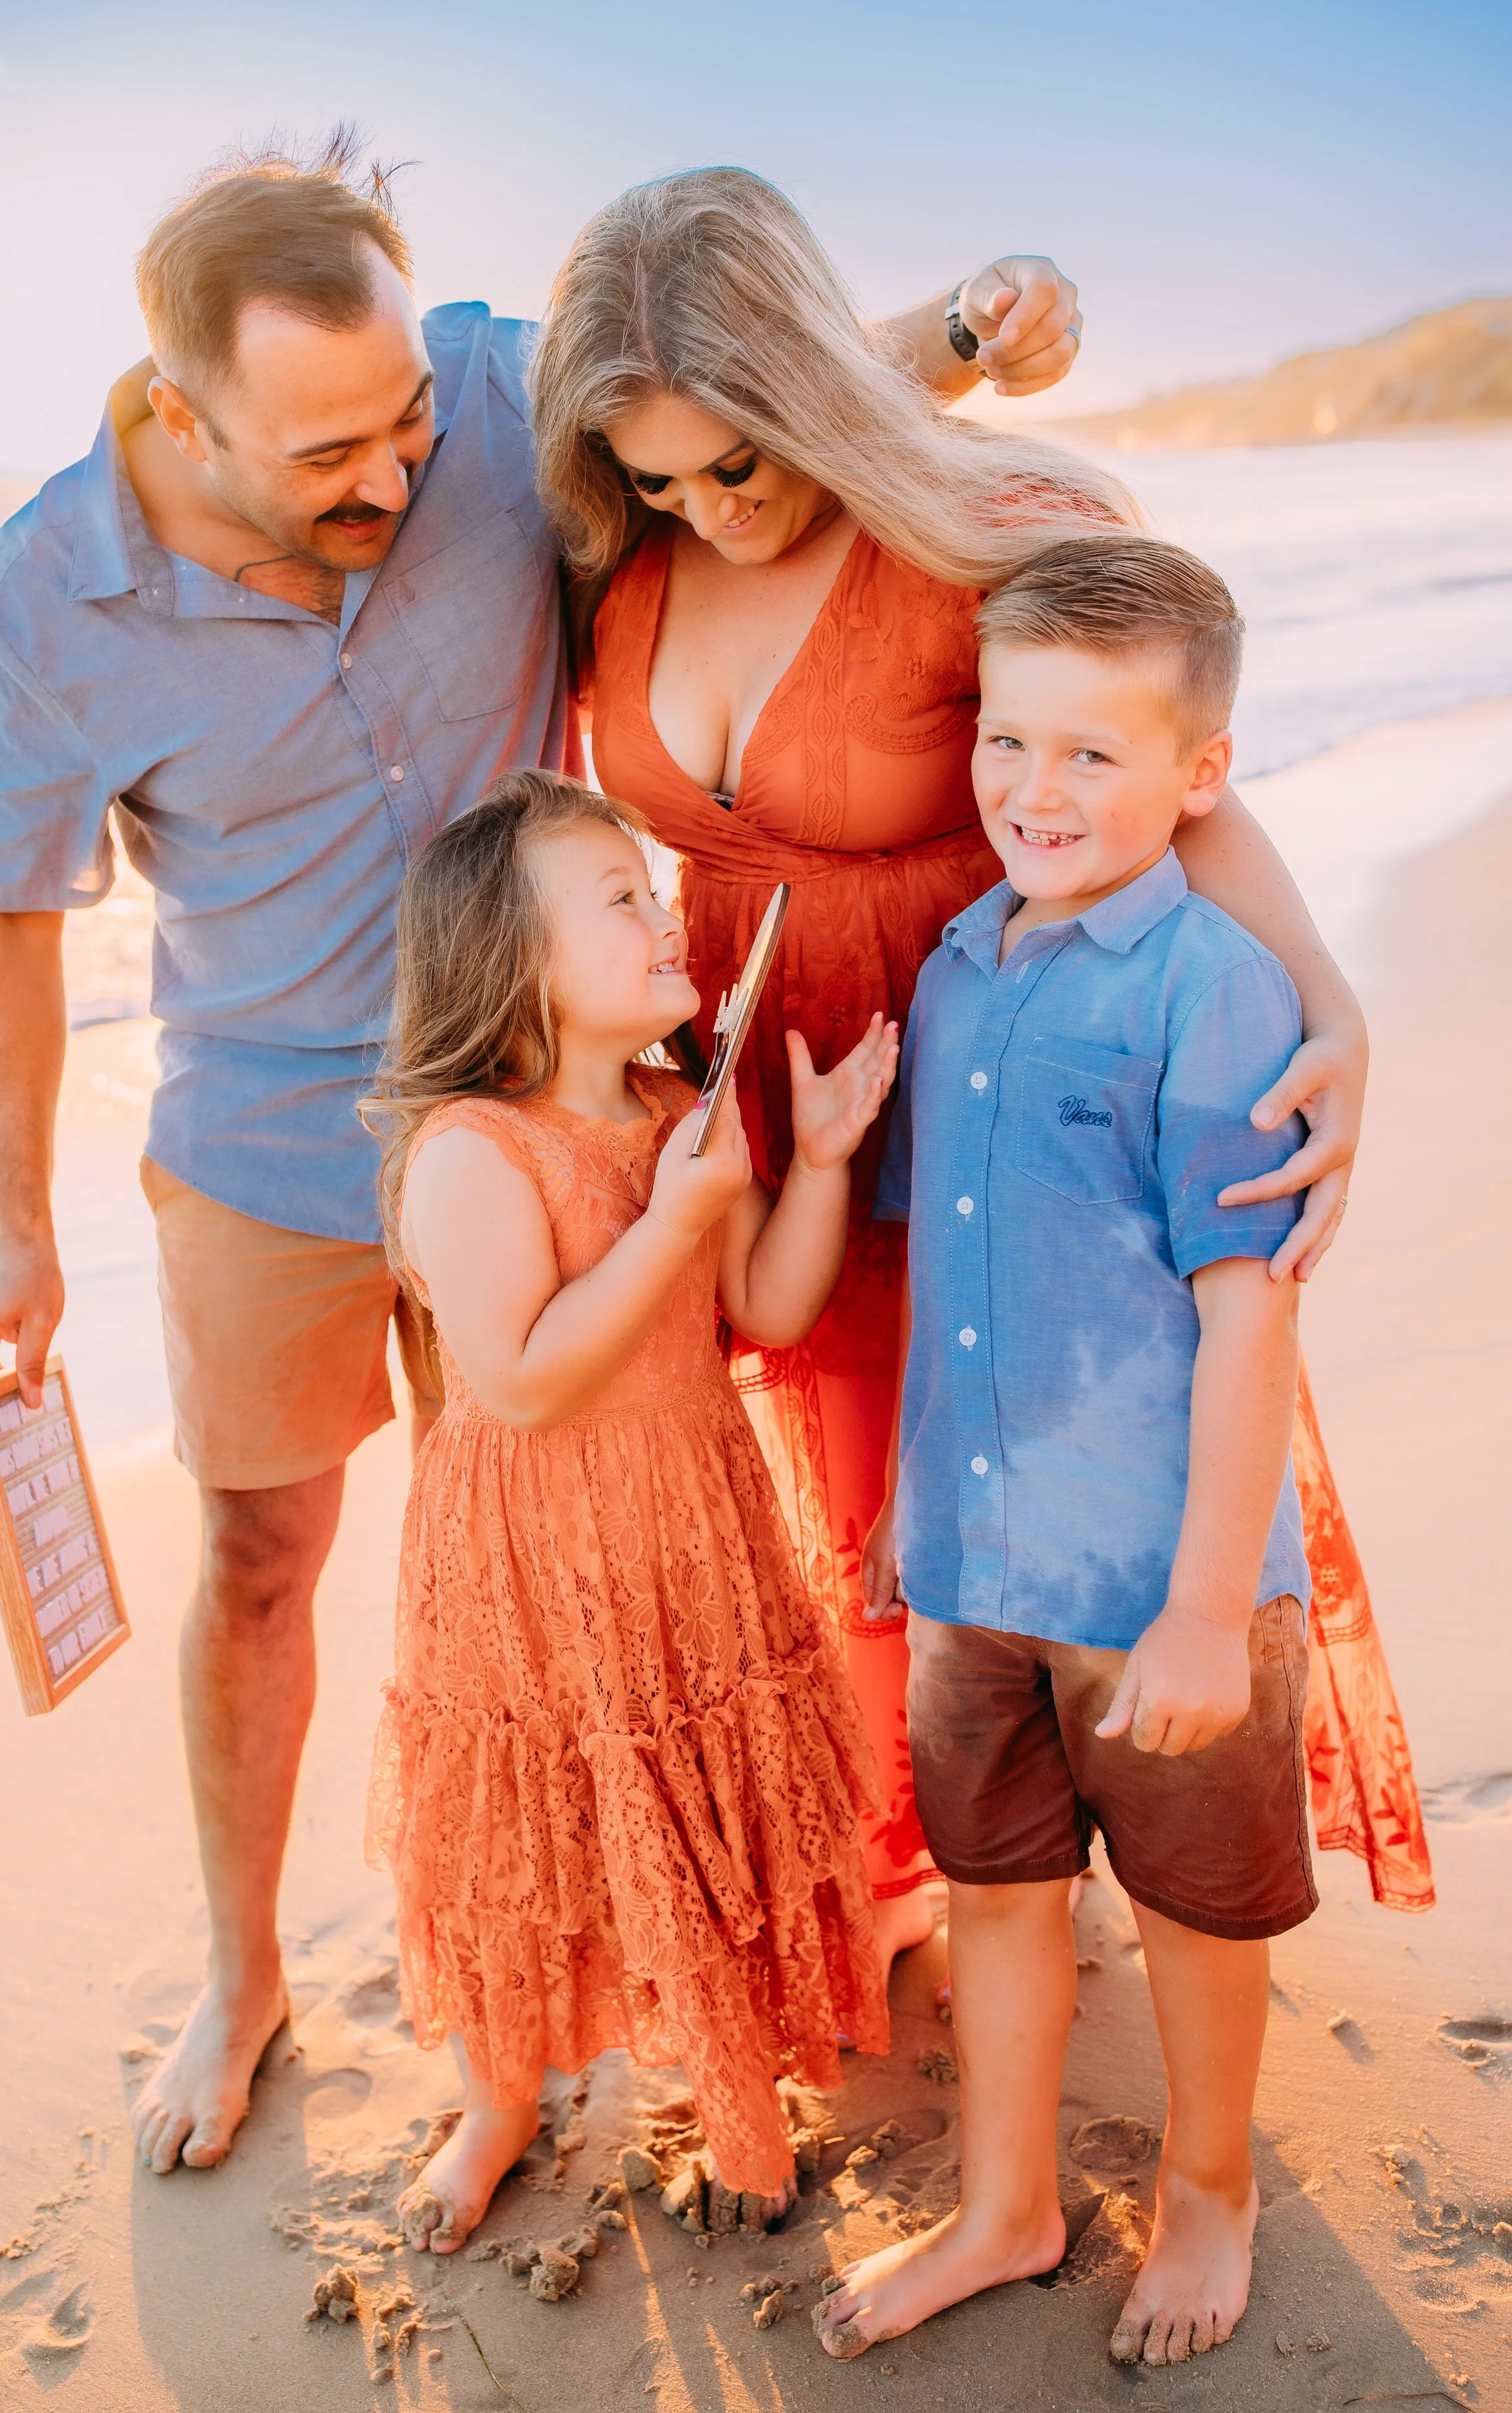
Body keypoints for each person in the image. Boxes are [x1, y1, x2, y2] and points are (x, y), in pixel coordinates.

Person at [0, 132, 1085, 2175]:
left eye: (405, 425)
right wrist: (15, 1228)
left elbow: (733, 385)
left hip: (574, 1119)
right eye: (330, 460)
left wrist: (974, 331)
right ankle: (243, 1968)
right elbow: (0, 915)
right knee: (267, 1553)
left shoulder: (480, 392)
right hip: (278, 1141)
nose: (396, 482)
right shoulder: (38, 603)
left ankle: (636, 1961)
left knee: (596, 1567)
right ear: (174, 412)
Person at [530, 167, 1432, 1961]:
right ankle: (908, 1852)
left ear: (804, 388)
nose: (707, 510)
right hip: (756, 1112)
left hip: (984, 1094)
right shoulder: (608, 560)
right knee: (821, 1487)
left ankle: (1042, 1851)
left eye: (739, 456)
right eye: (657, 477)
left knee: (998, 1471)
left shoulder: (968, 530)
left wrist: (1329, 998)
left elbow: (1164, 766)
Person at [815, 537, 1324, 2366]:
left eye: (1092, 754)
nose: (1034, 791)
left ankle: (1208, 2186)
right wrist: (907, 1499)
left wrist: (1203, 1605)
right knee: (998, 1890)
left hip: (1156, 1581)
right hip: (973, 1561)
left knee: (1194, 1909)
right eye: (1007, 741)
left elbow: (1247, 1308)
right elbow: (962, 1274)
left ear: (1201, 772)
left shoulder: (1211, 983)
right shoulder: (959, 970)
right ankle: (1005, 2201)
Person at [360, 770, 894, 2244]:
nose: (667, 920)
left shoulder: (675, 1110)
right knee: (522, 1835)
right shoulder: (471, 1152)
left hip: (682, 1528)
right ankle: (498, 2105)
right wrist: (669, 1213)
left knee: (690, 1804)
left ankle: (739, 2104)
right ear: (515, 962)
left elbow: (765, 1308)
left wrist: (821, 1166)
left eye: (655, 893)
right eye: (622, 901)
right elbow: (523, 1382)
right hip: (531, 1556)